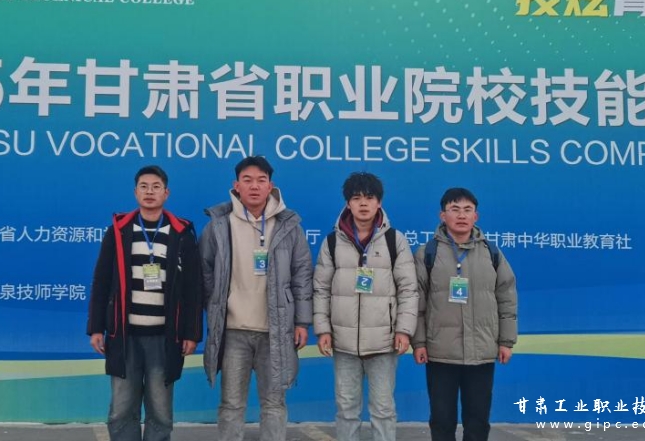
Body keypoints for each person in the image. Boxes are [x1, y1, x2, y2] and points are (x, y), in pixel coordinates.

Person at [200, 156, 313, 441]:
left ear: (270, 186)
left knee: (274, 404)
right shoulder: (219, 225)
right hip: (233, 331)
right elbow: (205, 270)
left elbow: (302, 275)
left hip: (275, 331)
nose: (254, 186)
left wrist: (302, 322)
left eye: (261, 180)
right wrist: (215, 305)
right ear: (236, 185)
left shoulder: (289, 226)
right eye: (247, 180)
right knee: (231, 404)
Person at [86, 165, 204, 441]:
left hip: (164, 337)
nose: (150, 192)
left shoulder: (181, 233)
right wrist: (96, 328)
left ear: (166, 193)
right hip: (124, 336)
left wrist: (191, 333)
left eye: (156, 187)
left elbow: (193, 289)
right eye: (144, 186)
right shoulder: (118, 231)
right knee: (121, 409)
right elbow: (101, 281)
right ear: (135, 192)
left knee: (160, 411)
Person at [313, 172, 418, 441]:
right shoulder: (332, 242)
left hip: (384, 343)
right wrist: (323, 330)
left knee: (383, 409)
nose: (363, 203)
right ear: (348, 203)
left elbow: (408, 289)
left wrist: (404, 330)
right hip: (343, 343)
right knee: (346, 409)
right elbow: (321, 289)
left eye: (369, 198)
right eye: (356, 198)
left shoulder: (395, 240)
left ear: (379, 202)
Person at [412, 187, 517, 441]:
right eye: (454, 209)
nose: (461, 215)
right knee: (442, 419)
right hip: (440, 352)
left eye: (467, 210)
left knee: (478, 420)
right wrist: (419, 342)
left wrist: (506, 341)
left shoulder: (491, 253)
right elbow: (416, 302)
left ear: (475, 216)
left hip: (481, 351)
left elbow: (506, 297)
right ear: (442, 215)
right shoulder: (427, 253)